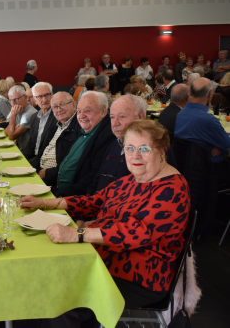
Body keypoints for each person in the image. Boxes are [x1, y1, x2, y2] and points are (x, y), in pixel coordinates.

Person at [20, 120, 190, 327]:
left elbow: (136, 232)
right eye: (129, 148)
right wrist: (47, 202)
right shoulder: (134, 178)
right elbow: (95, 201)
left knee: (63, 293)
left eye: (144, 149)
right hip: (106, 254)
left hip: (140, 274)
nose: (135, 155)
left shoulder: (173, 189)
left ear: (162, 151)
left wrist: (77, 234)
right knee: (46, 265)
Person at [54, 91, 116, 197]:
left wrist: (59, 195)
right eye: (78, 111)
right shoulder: (84, 129)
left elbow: (92, 178)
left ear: (103, 111)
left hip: (75, 199)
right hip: (60, 189)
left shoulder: (107, 136)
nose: (81, 116)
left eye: (87, 111)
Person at [86, 95, 147, 195]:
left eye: (122, 116)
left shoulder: (151, 151)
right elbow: (97, 182)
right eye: (112, 117)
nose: (115, 123)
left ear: (140, 116)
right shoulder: (114, 145)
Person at [175, 77, 230, 164]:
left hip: (184, 165)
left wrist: (220, 145)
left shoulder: (180, 114)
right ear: (210, 94)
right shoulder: (209, 120)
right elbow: (227, 143)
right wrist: (220, 146)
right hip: (207, 167)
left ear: (190, 92)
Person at [32, 92, 80, 186]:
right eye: (54, 107)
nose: (59, 109)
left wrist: (51, 172)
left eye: (62, 104)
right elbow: (42, 152)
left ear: (74, 105)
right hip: (40, 170)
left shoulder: (79, 127)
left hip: (54, 179)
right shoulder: (55, 125)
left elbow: (72, 163)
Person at [22, 82, 57, 160]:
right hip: (33, 158)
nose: (44, 99)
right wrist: (20, 158)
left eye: (47, 95)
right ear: (35, 100)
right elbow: (31, 145)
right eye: (40, 96)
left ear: (52, 95)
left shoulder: (58, 117)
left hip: (46, 161)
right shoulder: (34, 117)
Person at [4, 85, 38, 153]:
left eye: (16, 99)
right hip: (18, 148)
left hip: (27, 152)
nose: (13, 104)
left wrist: (13, 116)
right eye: (11, 100)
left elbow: (11, 136)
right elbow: (6, 131)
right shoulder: (17, 109)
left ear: (25, 97)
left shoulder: (30, 113)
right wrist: (13, 129)